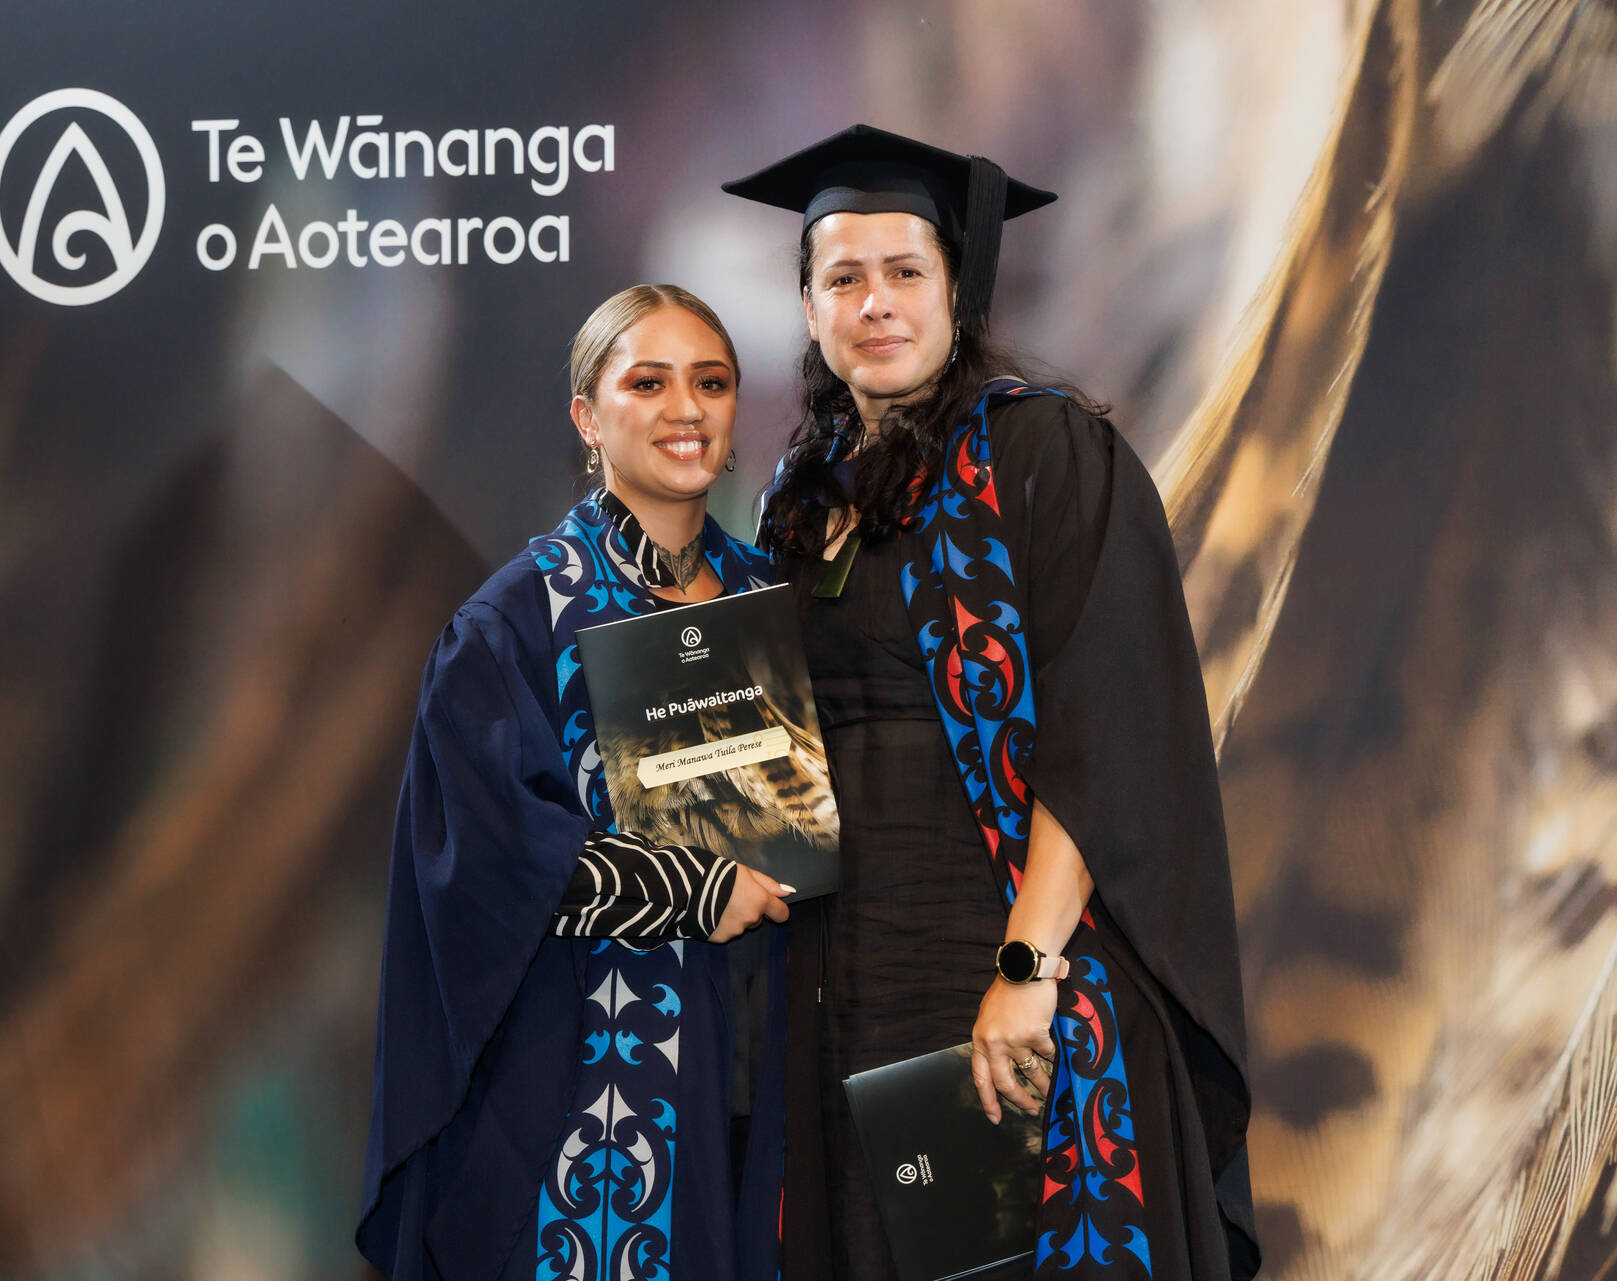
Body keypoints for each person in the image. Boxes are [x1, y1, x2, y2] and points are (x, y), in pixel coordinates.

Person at [724, 126, 1261, 1279]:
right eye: (843, 278)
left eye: (904, 272)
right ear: (808, 305)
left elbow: (1103, 731)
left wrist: (1023, 973)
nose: (875, 302)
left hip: (999, 975)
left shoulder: (1041, 453)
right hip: (841, 991)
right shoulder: (794, 504)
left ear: (955, 292)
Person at [356, 284, 793, 1281]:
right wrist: (692, 889)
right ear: (588, 418)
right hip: (590, 1100)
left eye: (711, 382)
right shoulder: (515, 621)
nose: (686, 408)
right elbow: (487, 855)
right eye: (649, 383)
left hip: (754, 1090)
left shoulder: (768, 597)